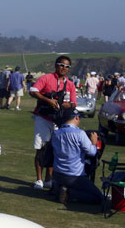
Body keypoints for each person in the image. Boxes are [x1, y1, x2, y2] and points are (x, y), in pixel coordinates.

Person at [30, 55, 77, 190]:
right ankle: (39, 179)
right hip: (43, 117)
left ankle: (48, 179)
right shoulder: (46, 78)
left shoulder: (70, 84)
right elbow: (33, 90)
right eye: (61, 65)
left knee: (55, 149)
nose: (64, 68)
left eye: (67, 66)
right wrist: (48, 100)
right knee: (41, 148)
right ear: (56, 65)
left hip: (59, 120)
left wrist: (65, 105)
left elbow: (74, 103)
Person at [50, 109, 103, 206]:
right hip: (74, 176)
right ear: (76, 117)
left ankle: (60, 189)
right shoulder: (79, 133)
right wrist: (94, 142)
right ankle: (69, 194)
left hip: (57, 173)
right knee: (98, 197)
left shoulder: (56, 133)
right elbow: (92, 152)